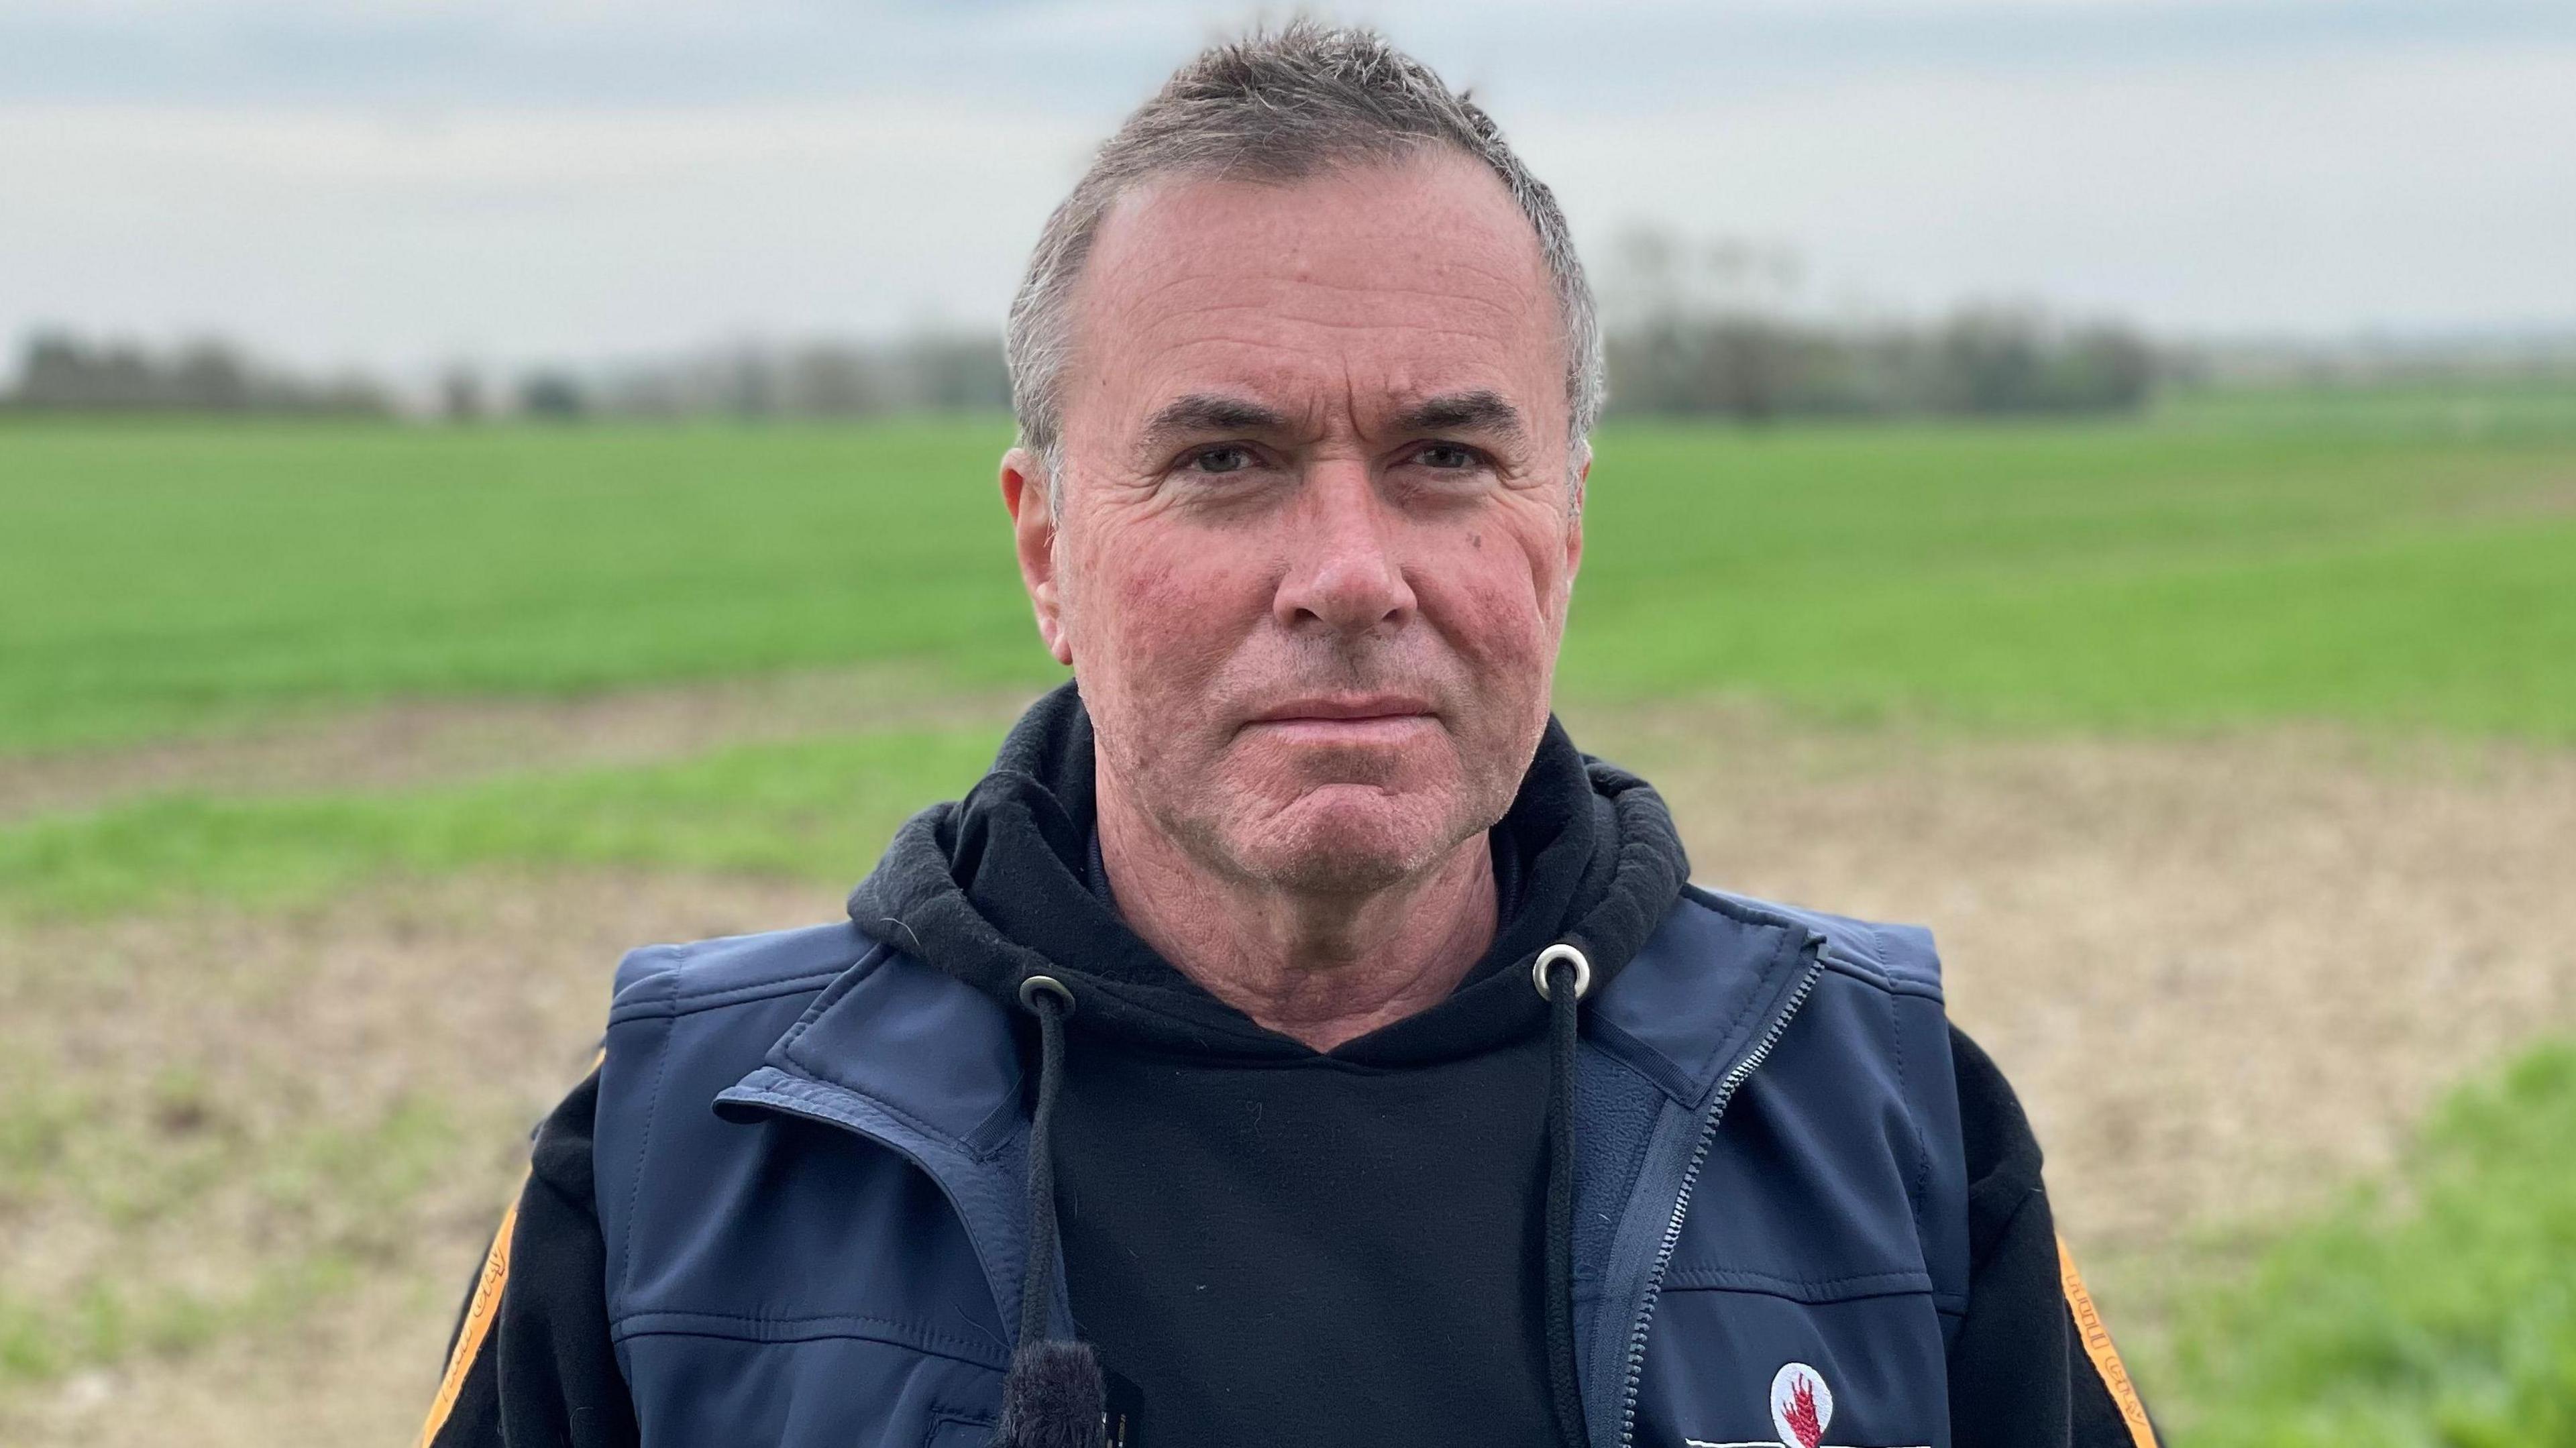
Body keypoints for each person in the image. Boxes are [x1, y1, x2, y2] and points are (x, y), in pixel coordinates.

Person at [417, 23, 2157, 1448]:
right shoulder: (689, 1161)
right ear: (1046, 550)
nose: (1347, 573)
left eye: (1448, 461)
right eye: (1225, 462)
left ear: (1568, 526)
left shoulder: (1881, 1118)